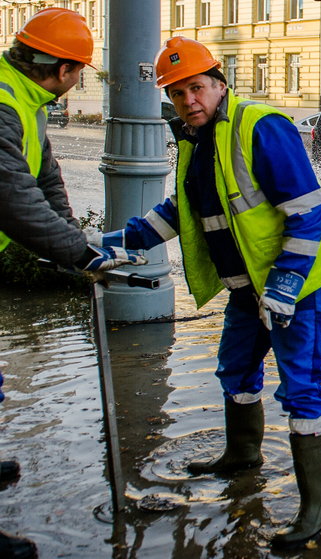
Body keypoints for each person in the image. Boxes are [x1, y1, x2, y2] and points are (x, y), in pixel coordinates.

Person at [93, 36, 321, 548]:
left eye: (196, 88)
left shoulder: (261, 126)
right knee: (235, 370)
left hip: (293, 287)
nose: (188, 100)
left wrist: (286, 281)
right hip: (246, 288)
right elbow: (181, 211)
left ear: (219, 84)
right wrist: (123, 241)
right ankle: (242, 456)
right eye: (176, 93)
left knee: (301, 387)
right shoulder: (194, 140)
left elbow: (307, 210)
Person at [0, 7, 147, 558]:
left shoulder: (25, 99)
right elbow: (12, 196)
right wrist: (78, 254)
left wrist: (75, 247)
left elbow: (44, 179)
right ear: (60, 69)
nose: (80, 80)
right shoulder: (3, 102)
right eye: (80, 70)